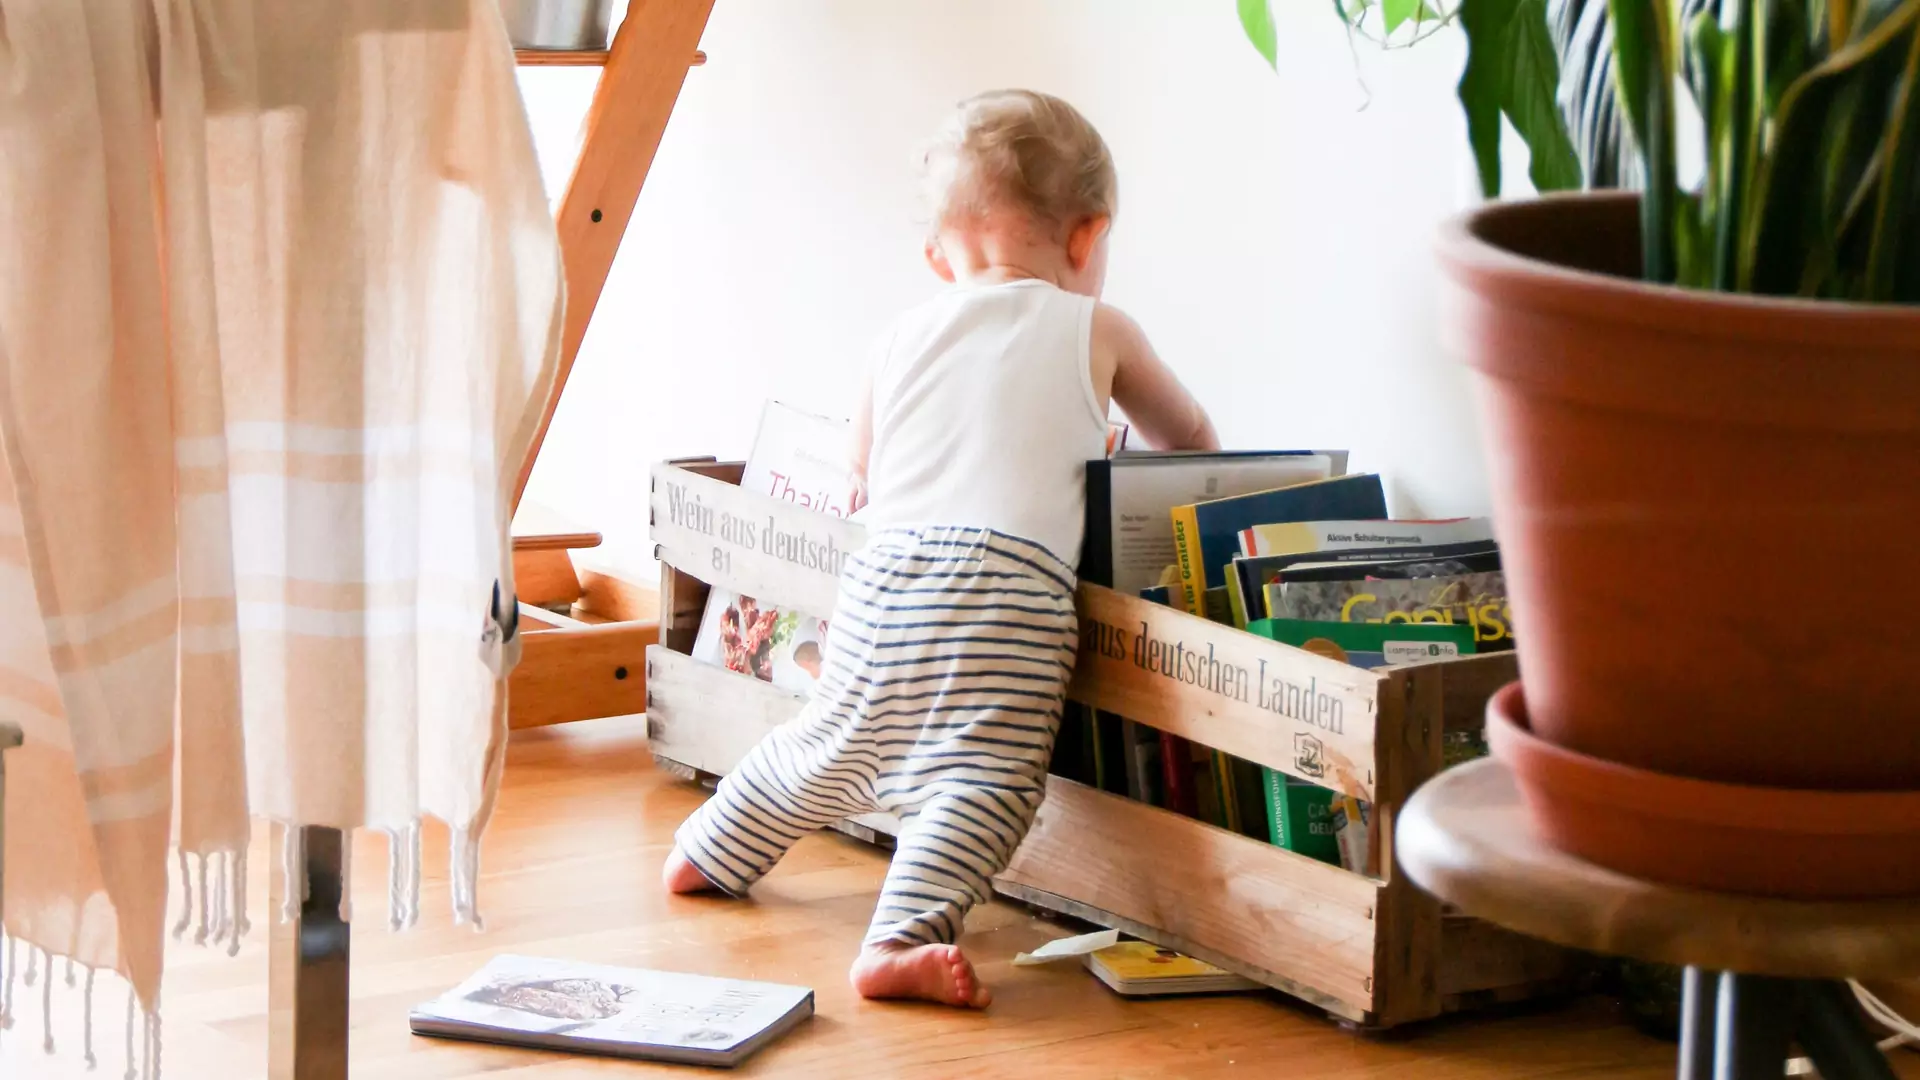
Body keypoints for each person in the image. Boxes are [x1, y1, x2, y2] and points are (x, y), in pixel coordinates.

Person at [662, 89, 1219, 1008]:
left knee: (832, 742)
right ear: (1087, 239)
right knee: (986, 777)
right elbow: (1189, 440)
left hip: (886, 577)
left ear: (938, 255)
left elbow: (860, 472)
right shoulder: (1098, 328)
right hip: (1009, 591)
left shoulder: (897, 337)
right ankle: (898, 937)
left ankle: (709, 850)